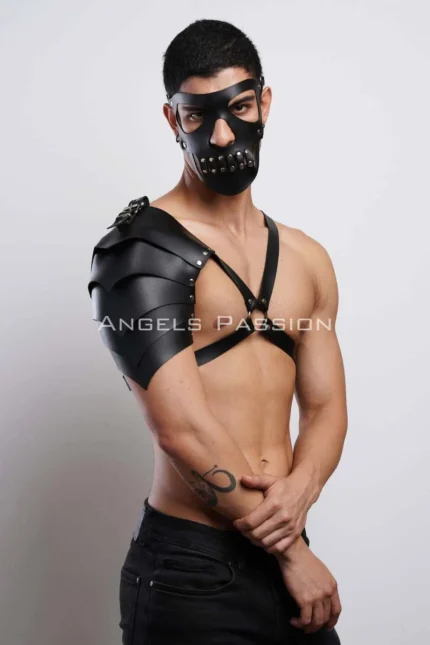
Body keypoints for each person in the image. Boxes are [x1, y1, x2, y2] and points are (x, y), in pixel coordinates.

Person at [88, 18, 348, 645]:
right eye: (198, 115)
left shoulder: (307, 257)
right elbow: (180, 428)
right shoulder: (139, 251)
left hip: (286, 549)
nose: (223, 134)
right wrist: (292, 553)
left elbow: (325, 407)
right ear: (172, 119)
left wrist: (300, 495)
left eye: (239, 107)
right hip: (191, 569)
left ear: (264, 102)